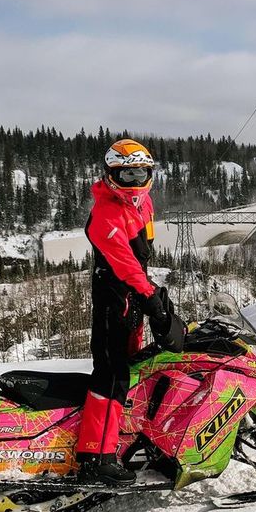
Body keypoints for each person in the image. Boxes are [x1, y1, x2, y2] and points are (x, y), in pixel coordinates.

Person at [78, 138, 182, 485]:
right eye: (126, 175)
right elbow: (125, 266)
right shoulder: (105, 215)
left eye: (141, 174)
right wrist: (150, 296)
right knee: (112, 374)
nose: (135, 182)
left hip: (132, 296)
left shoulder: (143, 204)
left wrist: (152, 298)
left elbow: (141, 258)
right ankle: (96, 454)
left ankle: (127, 436)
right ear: (110, 176)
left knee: (137, 365)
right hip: (113, 298)